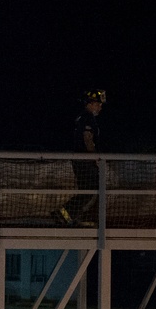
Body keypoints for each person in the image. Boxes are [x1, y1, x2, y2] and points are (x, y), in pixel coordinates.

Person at [54, 90, 105, 227]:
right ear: (90, 104)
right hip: (85, 161)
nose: (100, 108)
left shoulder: (82, 118)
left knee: (87, 190)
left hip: (81, 160)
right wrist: (95, 158)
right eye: (98, 104)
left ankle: (69, 215)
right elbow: (88, 140)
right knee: (91, 189)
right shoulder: (87, 118)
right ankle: (66, 214)